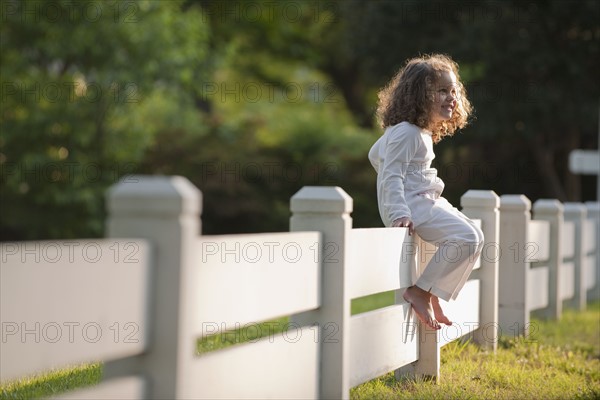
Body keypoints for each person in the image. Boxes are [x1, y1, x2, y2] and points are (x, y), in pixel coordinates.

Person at [368, 54, 484, 330]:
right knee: (466, 237)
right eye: (442, 90)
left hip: (424, 199)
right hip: (411, 205)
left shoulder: (414, 132)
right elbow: (391, 173)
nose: (451, 97)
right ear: (419, 95)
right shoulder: (406, 133)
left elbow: (376, 156)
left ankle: (430, 293)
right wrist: (398, 211)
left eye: (453, 90)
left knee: (475, 236)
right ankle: (421, 292)